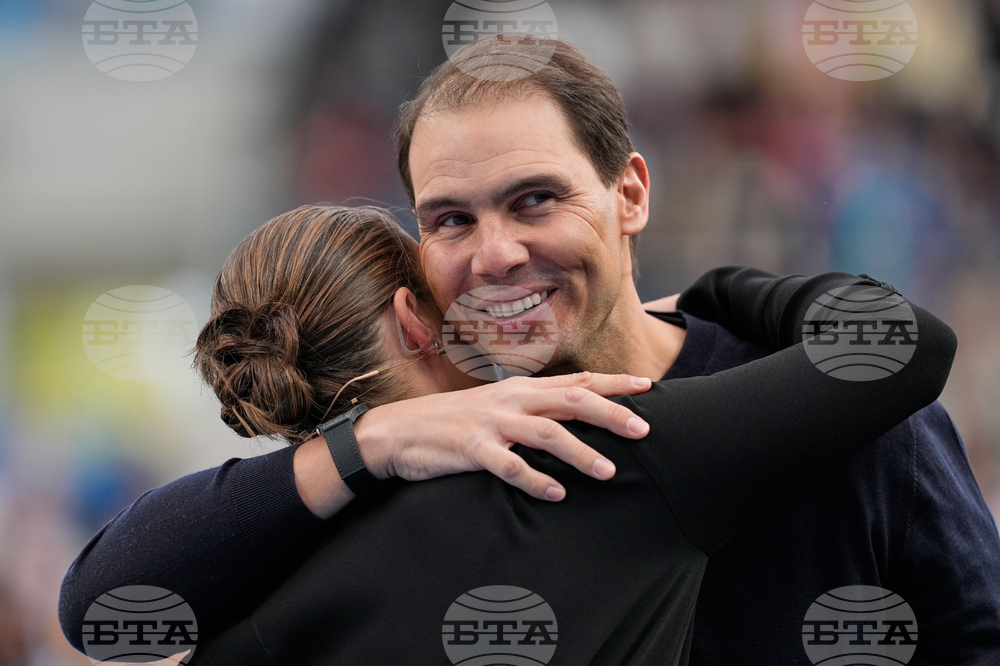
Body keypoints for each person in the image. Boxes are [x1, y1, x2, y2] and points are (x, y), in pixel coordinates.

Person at [64, 36, 1000, 662]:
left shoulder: (846, 415)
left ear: (630, 194)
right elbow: (108, 595)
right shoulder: (396, 487)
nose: (497, 252)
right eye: (451, 219)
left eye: (535, 199)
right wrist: (376, 442)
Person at [61, 204, 956, 664]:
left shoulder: (266, 590)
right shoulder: (599, 448)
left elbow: (98, 606)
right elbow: (903, 348)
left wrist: (366, 445)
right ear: (413, 319)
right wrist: (720, 290)